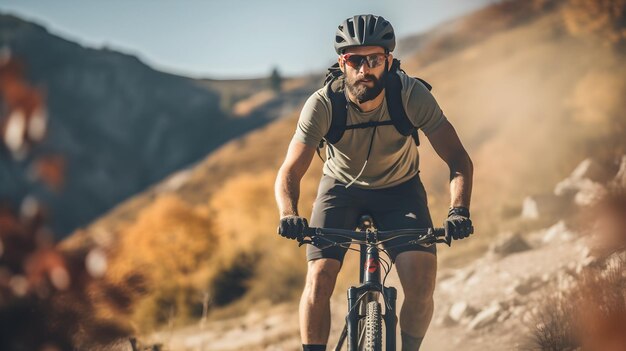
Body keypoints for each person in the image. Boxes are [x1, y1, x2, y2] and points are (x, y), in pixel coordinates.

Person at [274, 14, 473, 351]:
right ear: (342, 62)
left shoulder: (411, 96)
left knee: (422, 282)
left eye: (375, 60)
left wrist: (459, 211)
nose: (364, 69)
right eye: (354, 60)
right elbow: (289, 171)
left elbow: (458, 160)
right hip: (340, 190)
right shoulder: (323, 104)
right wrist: (288, 214)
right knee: (319, 277)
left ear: (389, 61)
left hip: (401, 190)